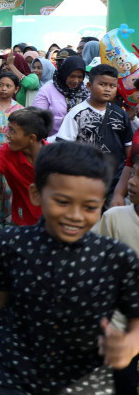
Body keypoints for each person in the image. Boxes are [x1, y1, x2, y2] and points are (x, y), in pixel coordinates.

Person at [0, 142, 139, 393]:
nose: (75, 215)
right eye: (62, 202)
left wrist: (131, 343)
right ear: (36, 194)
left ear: (101, 202)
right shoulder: (13, 244)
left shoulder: (115, 256)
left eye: (89, 207)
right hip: (18, 368)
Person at [58, 63, 133, 206]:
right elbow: (64, 147)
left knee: (112, 217)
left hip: (115, 181)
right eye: (102, 84)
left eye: (112, 86)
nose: (107, 89)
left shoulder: (120, 114)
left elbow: (128, 147)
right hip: (85, 180)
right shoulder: (76, 113)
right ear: (89, 85)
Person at [96, 168, 139, 392]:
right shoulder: (114, 218)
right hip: (119, 325)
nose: (132, 182)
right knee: (123, 383)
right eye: (133, 174)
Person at [0, 72, 22, 235]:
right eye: (0, 84)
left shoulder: (20, 110)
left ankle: (9, 220)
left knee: (10, 189)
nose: (4, 88)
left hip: (12, 157)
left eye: (8, 86)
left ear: (16, 89)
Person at [34, 55, 90, 138]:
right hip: (53, 141)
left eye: (80, 77)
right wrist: (61, 121)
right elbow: (36, 118)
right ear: (63, 74)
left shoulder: (86, 92)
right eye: (72, 76)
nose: (76, 81)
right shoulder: (47, 91)